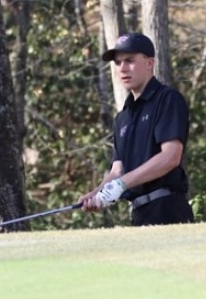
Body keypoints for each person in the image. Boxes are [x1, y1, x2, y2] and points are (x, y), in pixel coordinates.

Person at [78, 32, 195, 226]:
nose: (123, 68)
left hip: (168, 209)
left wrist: (122, 184)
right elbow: (118, 170)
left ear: (149, 63)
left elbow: (170, 157)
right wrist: (96, 194)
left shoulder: (167, 99)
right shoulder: (122, 117)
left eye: (130, 60)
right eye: (118, 63)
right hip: (139, 214)